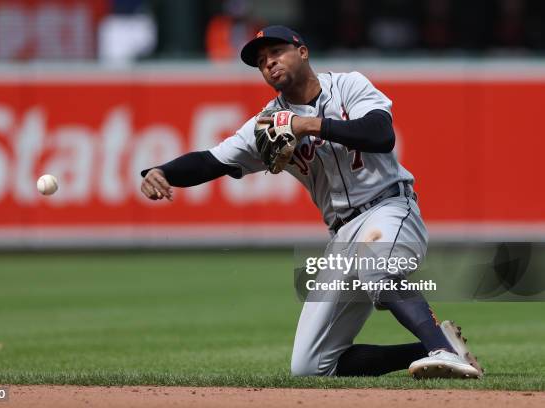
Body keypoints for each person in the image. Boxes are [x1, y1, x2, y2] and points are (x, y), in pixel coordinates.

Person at [140, 25, 483, 379]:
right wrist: (162, 171)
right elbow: (212, 160)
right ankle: (434, 346)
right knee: (311, 366)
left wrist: (309, 125)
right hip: (341, 234)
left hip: (389, 208)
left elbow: (380, 134)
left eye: (276, 53)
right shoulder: (269, 125)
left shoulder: (348, 86)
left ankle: (440, 350)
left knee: (376, 266)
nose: (269, 63)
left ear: (302, 52)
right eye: (261, 62)